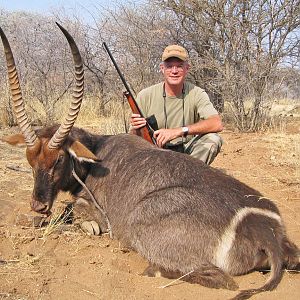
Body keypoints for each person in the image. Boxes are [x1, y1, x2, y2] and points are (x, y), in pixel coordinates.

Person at [130, 45, 223, 165]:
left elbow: (216, 123)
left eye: (179, 66)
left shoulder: (197, 93)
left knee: (213, 139)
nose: (174, 71)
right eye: (169, 66)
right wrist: (136, 129)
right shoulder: (145, 95)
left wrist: (178, 131)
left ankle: (188, 178)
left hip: (187, 157)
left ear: (187, 68)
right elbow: (132, 137)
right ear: (162, 68)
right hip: (154, 155)